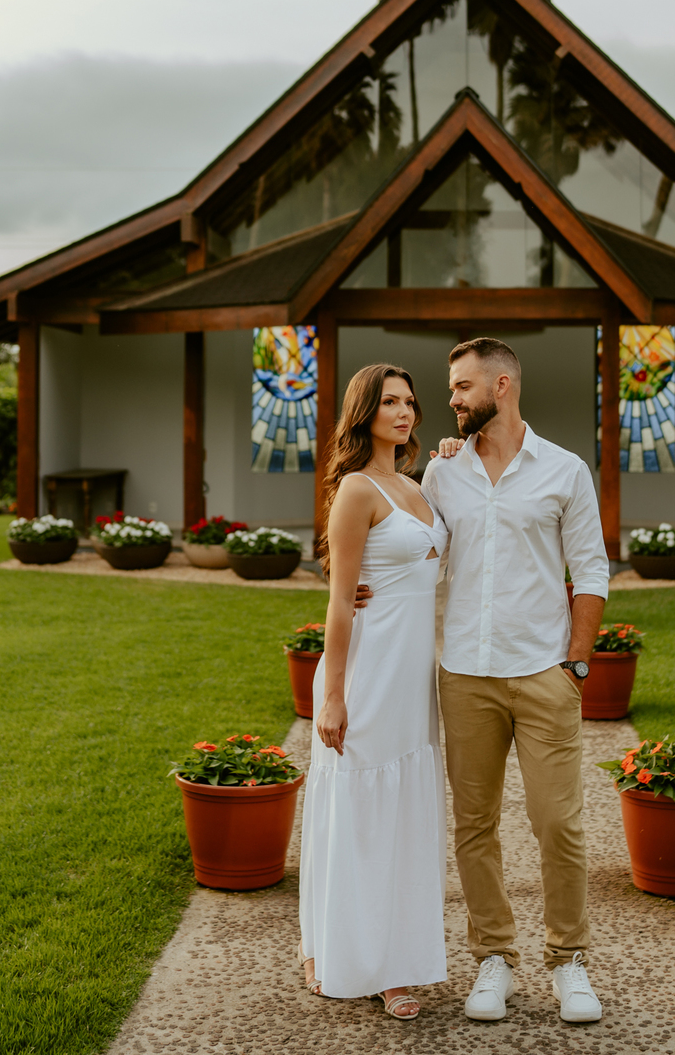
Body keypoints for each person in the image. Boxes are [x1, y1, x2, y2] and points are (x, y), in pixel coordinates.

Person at [422, 336, 609, 1025]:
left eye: (463, 386)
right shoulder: (442, 475)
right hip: (465, 675)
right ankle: (493, 956)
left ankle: (568, 959)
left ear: (502, 385)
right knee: (474, 824)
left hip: (542, 673)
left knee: (557, 821)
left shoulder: (563, 470)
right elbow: (423, 559)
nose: (452, 398)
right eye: (451, 388)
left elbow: (590, 568)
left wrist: (578, 662)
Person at [297, 364, 448, 1020]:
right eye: (389, 401)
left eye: (410, 401)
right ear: (364, 412)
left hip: (413, 677)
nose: (404, 411)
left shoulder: (416, 486)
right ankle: (337, 951)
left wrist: (453, 454)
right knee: (355, 815)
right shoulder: (356, 490)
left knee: (403, 818)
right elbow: (338, 601)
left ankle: (394, 954)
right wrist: (332, 697)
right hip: (364, 671)